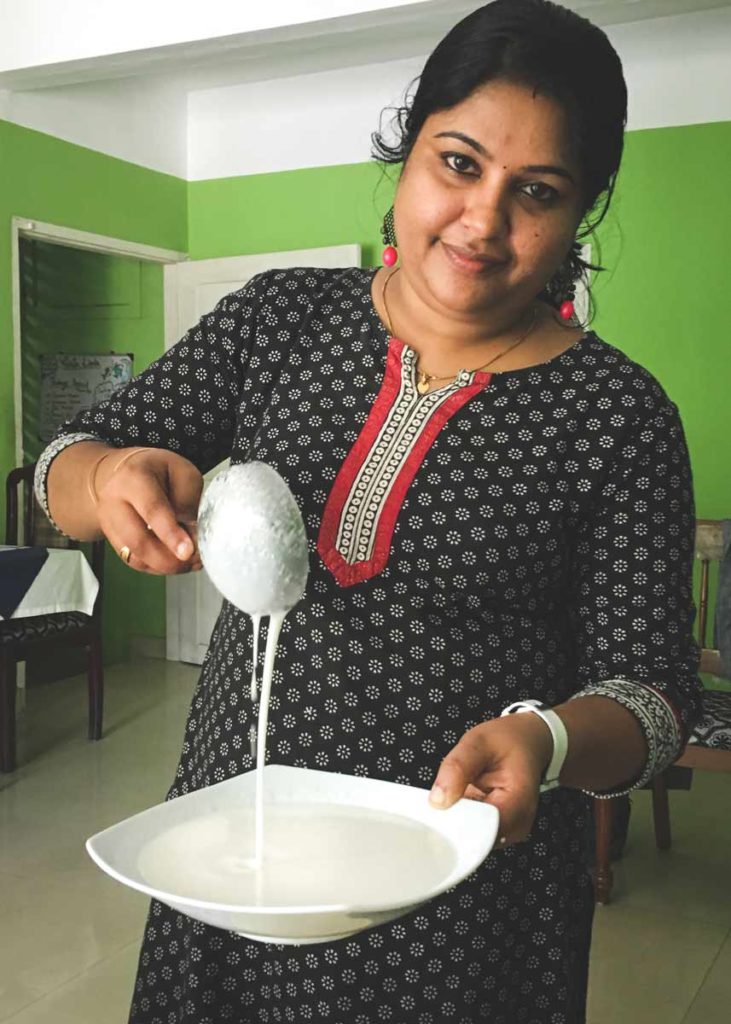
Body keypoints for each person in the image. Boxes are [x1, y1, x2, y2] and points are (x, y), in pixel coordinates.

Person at [36, 1, 702, 1020]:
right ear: (405, 151)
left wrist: (550, 742)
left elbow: (652, 698)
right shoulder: (277, 320)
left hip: (457, 885)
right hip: (237, 839)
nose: (482, 221)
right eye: (458, 162)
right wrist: (108, 475)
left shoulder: (617, 414)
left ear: (581, 211)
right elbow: (63, 464)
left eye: (537, 192)